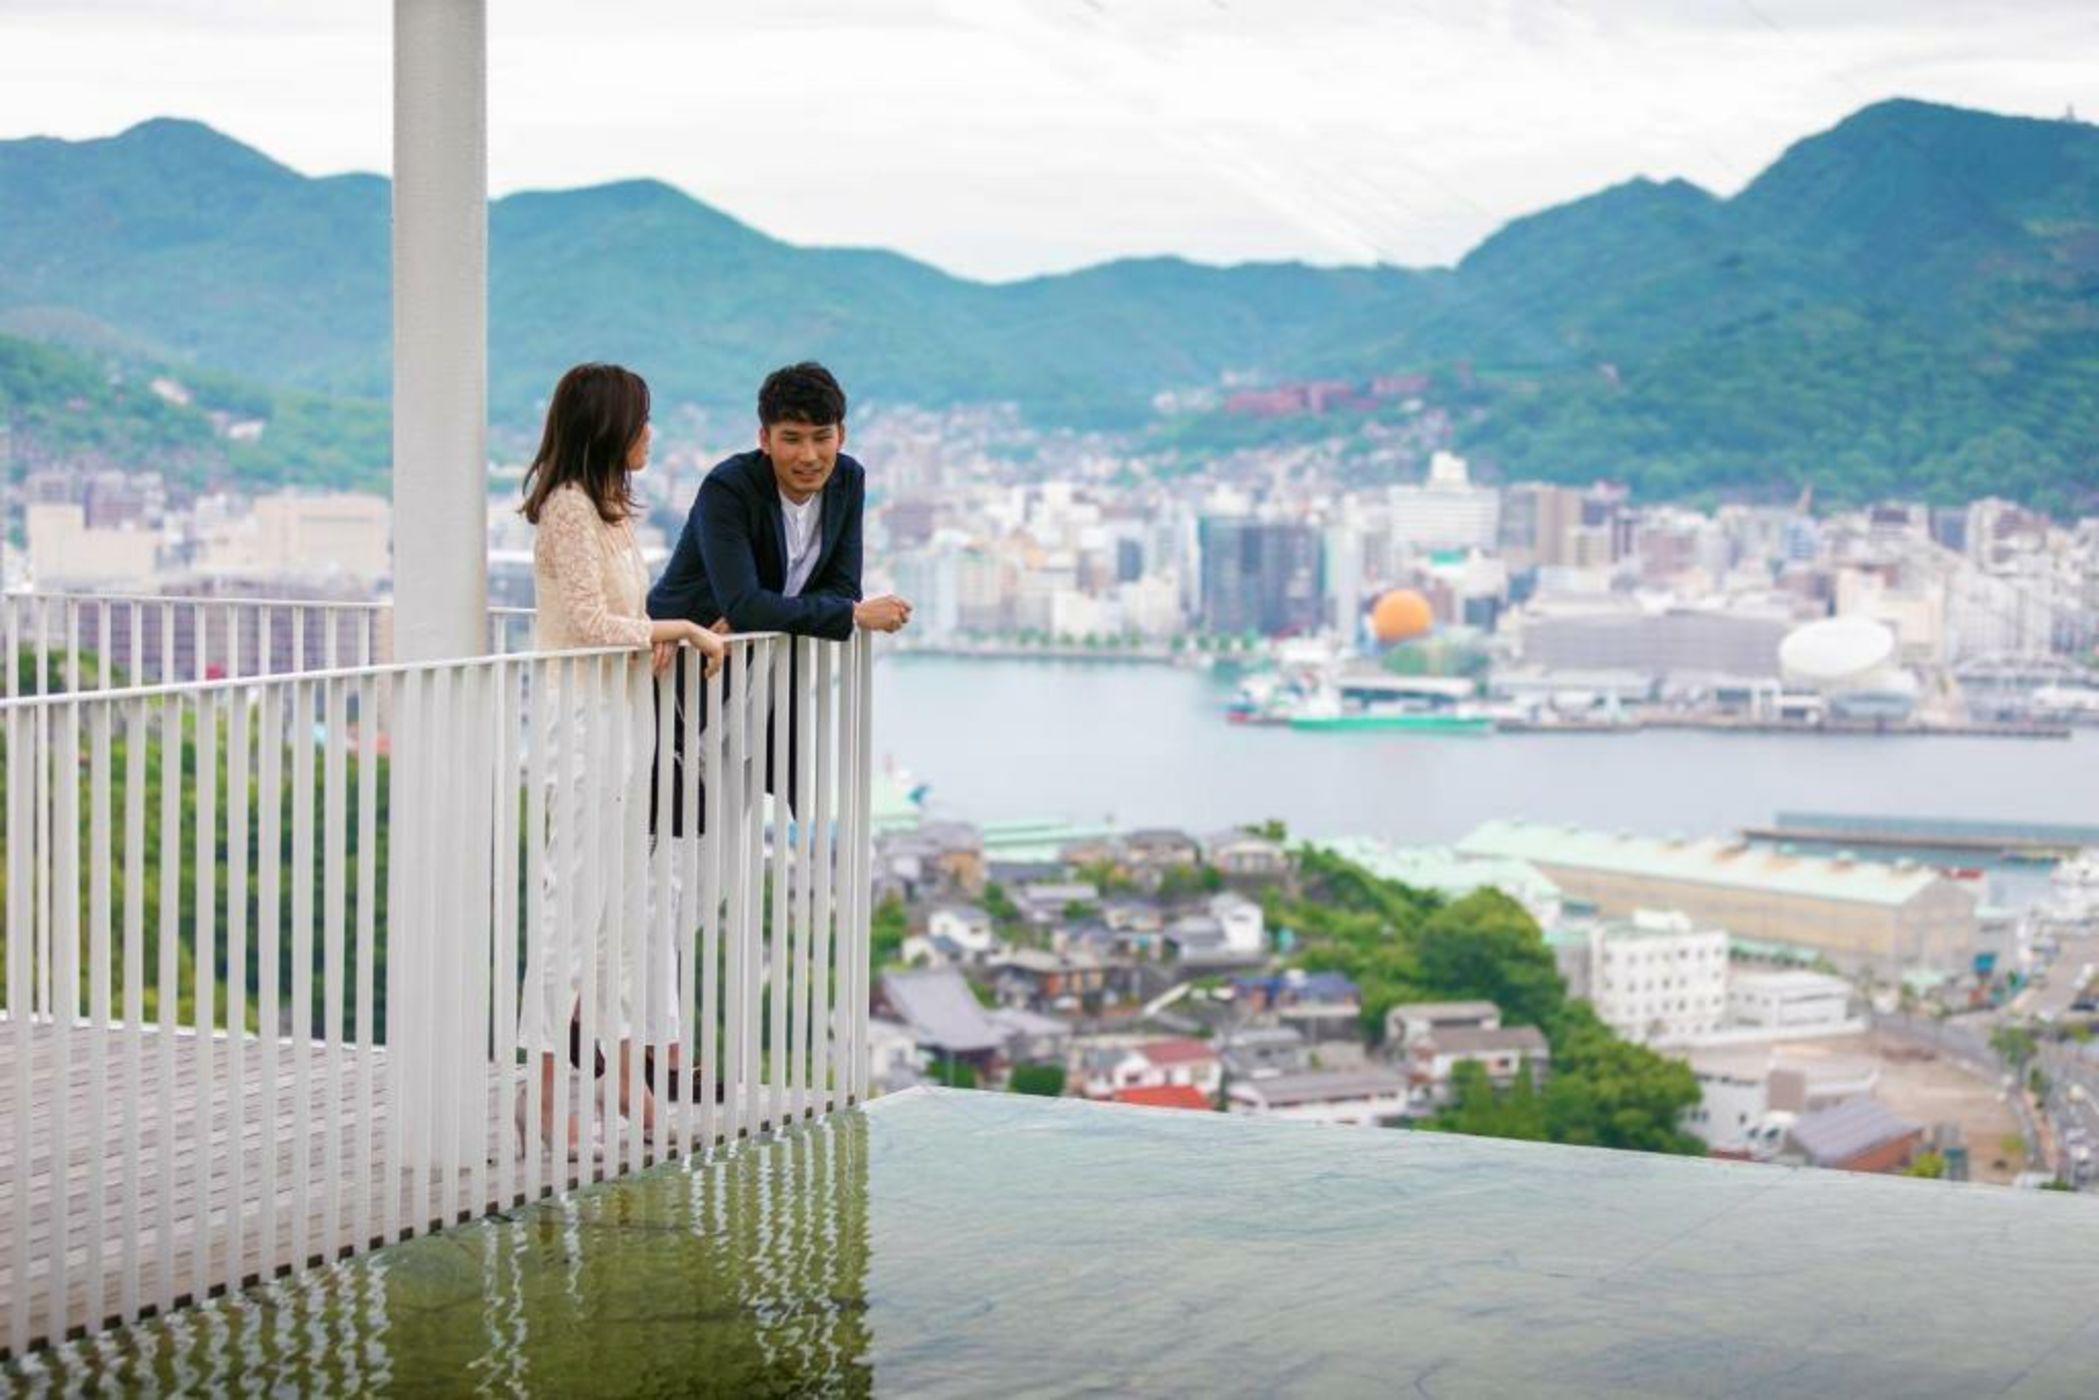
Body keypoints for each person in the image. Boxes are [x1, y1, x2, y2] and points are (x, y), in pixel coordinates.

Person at [518, 362, 724, 1154]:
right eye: (640, 419)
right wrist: (674, 633)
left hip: (627, 716)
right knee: (571, 899)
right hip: (584, 722)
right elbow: (588, 622)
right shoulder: (568, 511)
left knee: (631, 898)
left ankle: (621, 1077)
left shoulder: (610, 512)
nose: (649, 433)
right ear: (607, 424)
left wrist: (674, 630)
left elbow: (627, 618)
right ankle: (537, 1092)